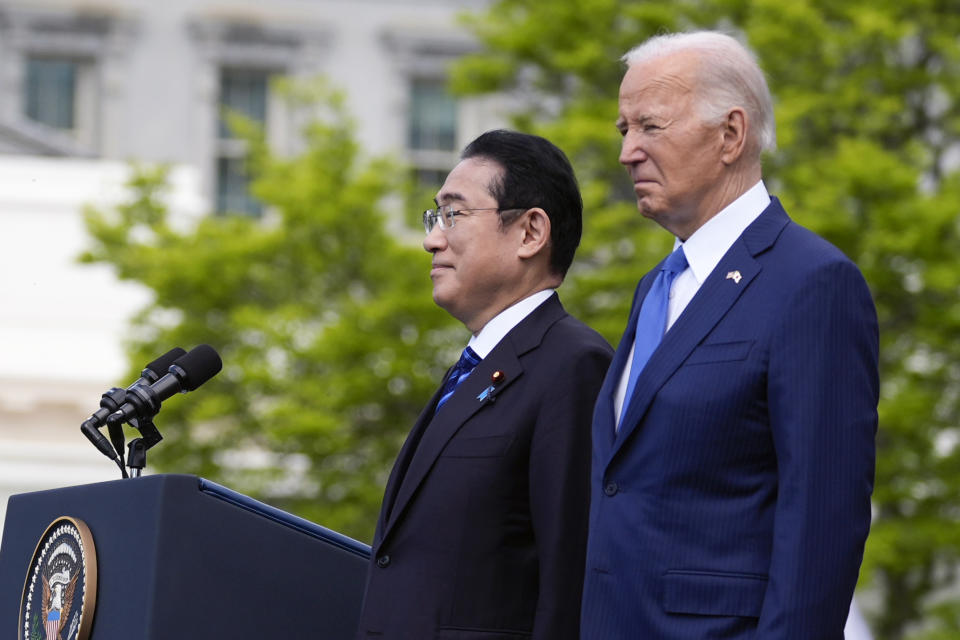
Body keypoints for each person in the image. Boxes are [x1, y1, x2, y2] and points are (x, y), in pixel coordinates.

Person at [579, 31, 879, 639]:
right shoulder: (654, 288)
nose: (627, 152)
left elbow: (822, 524)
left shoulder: (813, 283)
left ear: (730, 135)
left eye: (650, 127)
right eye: (623, 130)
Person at [355, 129, 613, 640]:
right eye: (435, 216)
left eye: (454, 214)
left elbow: (571, 582)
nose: (432, 238)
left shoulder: (573, 365)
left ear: (530, 233)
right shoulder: (476, 364)